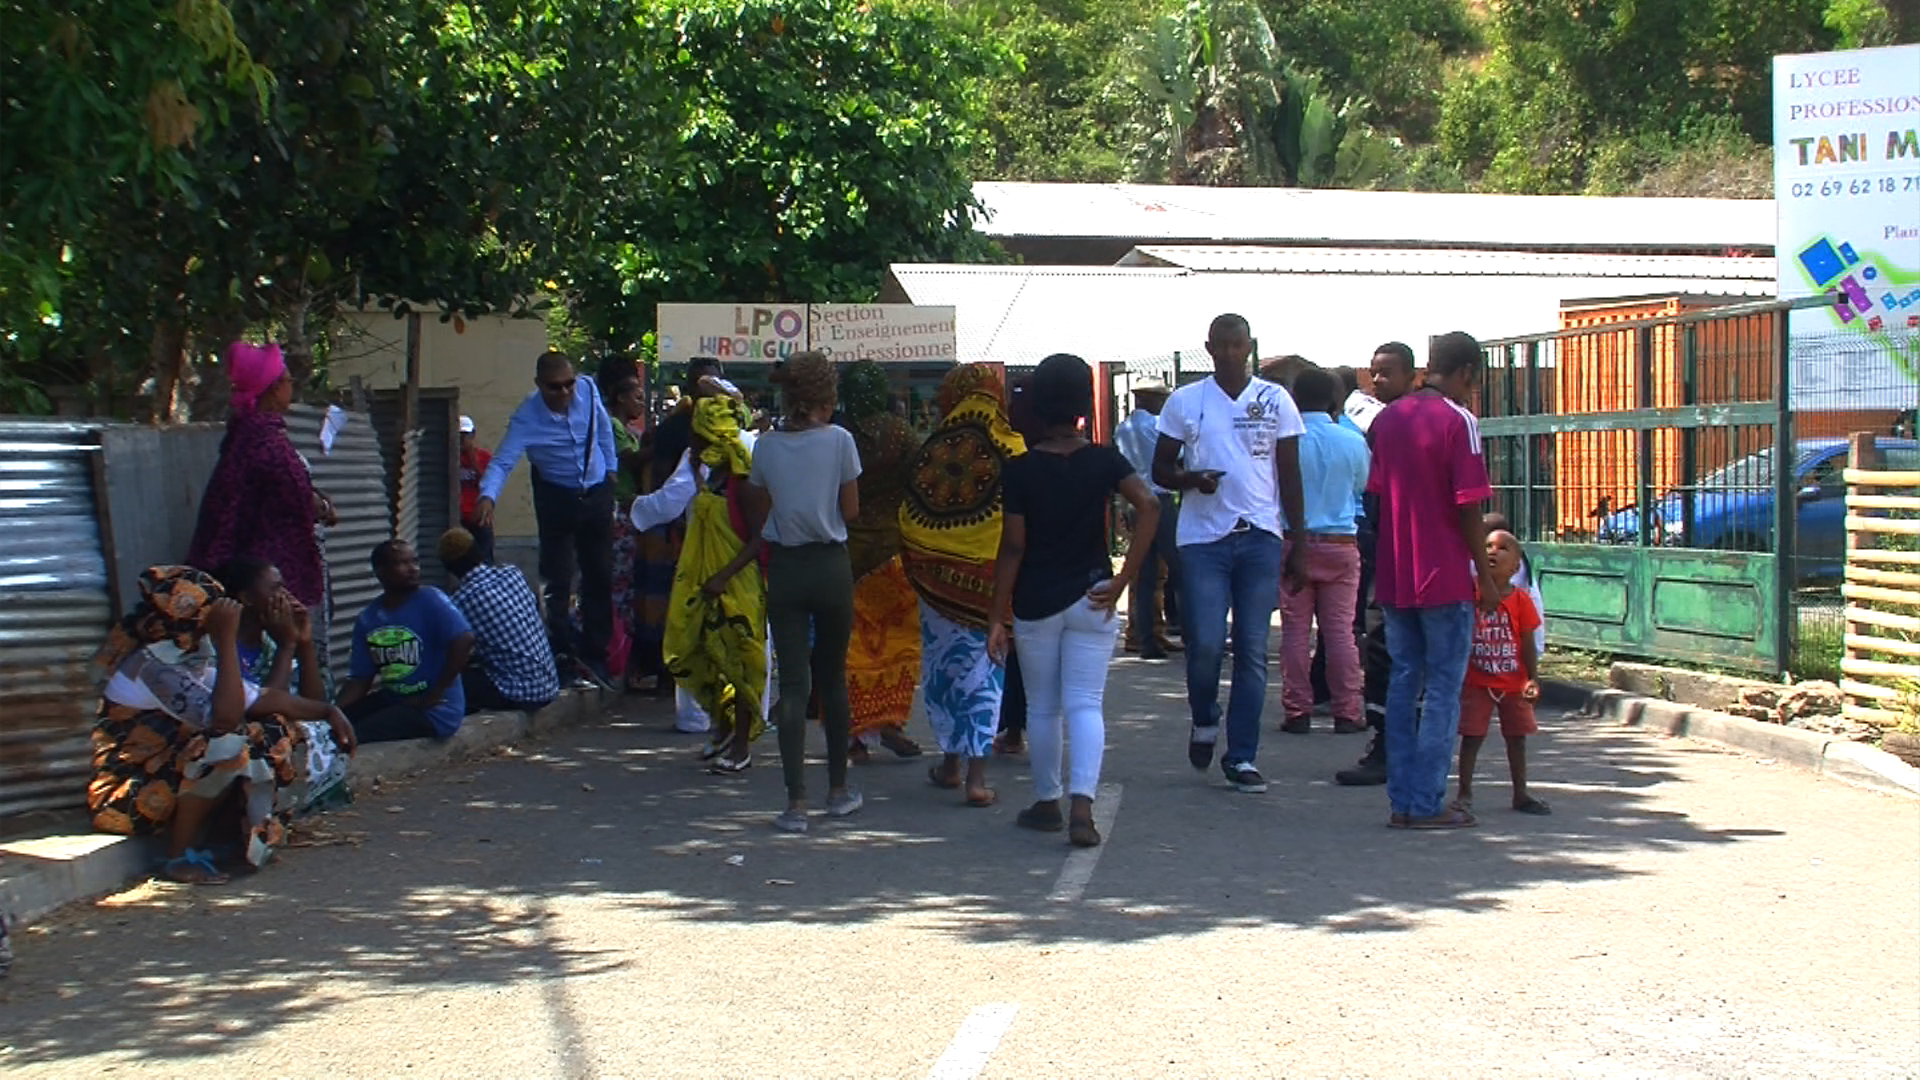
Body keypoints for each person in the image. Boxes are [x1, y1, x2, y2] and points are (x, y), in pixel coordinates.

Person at [89, 567, 355, 884]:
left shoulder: (188, 655)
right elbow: (225, 719)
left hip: (163, 776)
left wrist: (328, 711)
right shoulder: (153, 667)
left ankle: (233, 840)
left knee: (272, 730)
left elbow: (262, 698)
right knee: (226, 744)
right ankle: (177, 859)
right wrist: (226, 640)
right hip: (127, 799)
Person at [989, 354, 1160, 847]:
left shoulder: (1020, 471)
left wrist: (997, 615)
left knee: (1043, 708)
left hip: (1036, 599)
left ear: (1037, 406)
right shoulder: (1105, 461)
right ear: (1084, 405)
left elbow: (1013, 547)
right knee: (1086, 704)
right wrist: (1125, 578)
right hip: (1093, 594)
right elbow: (1149, 504)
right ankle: (1083, 809)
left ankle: (1048, 801)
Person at [1152, 314, 1308, 794]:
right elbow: (1160, 469)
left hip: (1260, 534)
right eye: (1220, 345)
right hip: (1204, 539)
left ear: (1249, 346)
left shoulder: (1274, 399)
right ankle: (1204, 717)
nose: (1228, 353)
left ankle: (1241, 756)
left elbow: (1289, 473)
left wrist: (1299, 541)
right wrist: (1190, 479)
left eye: (1236, 344)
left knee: (1252, 649)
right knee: (1204, 643)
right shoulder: (1186, 401)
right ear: (1209, 348)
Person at [1369, 331, 1501, 829]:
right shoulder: (1459, 421)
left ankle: (1402, 800)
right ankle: (1426, 801)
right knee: (1444, 688)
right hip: (1443, 572)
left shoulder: (1387, 419)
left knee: (1405, 679)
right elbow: (1469, 506)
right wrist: (1485, 575)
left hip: (1396, 571)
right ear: (1466, 372)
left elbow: (1377, 494)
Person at [734, 352, 864, 832]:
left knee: (792, 685)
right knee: (832, 679)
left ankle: (795, 803)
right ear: (826, 395)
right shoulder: (840, 442)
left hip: (786, 568)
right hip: (831, 566)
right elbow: (850, 510)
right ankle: (838, 790)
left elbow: (762, 504)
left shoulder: (766, 447)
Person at [902, 364, 1026, 809]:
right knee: (984, 674)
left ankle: (950, 764)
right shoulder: (1013, 449)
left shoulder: (930, 449)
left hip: (934, 583)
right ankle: (975, 778)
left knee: (942, 671)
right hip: (992, 585)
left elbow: (909, 513)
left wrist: (930, 556)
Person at [472, 350, 618, 689]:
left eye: (569, 384)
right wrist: (487, 496)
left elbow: (603, 430)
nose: (565, 392)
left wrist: (611, 470)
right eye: (555, 387)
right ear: (539, 385)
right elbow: (503, 461)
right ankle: (562, 653)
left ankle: (595, 652)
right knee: (557, 577)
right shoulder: (527, 417)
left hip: (596, 491)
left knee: (598, 573)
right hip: (556, 496)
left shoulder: (588, 390)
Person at [650, 394, 770, 775]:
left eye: (698, 437)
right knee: (704, 652)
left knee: (742, 663)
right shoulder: (710, 475)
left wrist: (723, 576)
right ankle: (722, 728)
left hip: (738, 585)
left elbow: (760, 538)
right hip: (704, 581)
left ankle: (741, 746)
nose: (692, 444)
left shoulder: (744, 481)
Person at [186, 341, 336, 630]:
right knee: (289, 648)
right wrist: (322, 506)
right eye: (288, 380)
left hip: (261, 575)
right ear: (275, 388)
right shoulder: (266, 444)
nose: (291, 386)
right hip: (273, 582)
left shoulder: (248, 435)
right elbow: (296, 499)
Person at [1337, 341, 1425, 788]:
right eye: (1374, 372)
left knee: (1399, 650)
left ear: (1414, 376)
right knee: (1382, 645)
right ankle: (1388, 743)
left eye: (1387, 372)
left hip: (1419, 554)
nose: (1378, 380)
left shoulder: (1419, 422)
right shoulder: (1378, 425)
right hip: (1387, 549)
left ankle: (1405, 750)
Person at [837, 360, 925, 763]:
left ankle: (853, 737)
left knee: (849, 643)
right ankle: (890, 722)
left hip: (846, 547)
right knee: (895, 642)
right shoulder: (901, 433)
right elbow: (921, 482)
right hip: (892, 549)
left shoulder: (837, 434)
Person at [1277, 368, 1372, 736]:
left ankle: (1297, 709)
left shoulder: (1285, 441)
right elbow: (1361, 485)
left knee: (1295, 631)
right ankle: (1347, 710)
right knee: (1340, 632)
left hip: (1293, 540)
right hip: (1340, 541)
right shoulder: (1351, 439)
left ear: (1294, 399)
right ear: (1334, 400)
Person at [634, 357, 725, 701]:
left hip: (708, 529)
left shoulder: (728, 431)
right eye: (703, 385)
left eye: (714, 385)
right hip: (677, 529)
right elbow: (663, 482)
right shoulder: (677, 429)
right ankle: (668, 673)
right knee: (671, 601)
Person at [336, 540, 476, 744]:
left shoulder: (431, 600)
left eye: (415, 561)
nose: (413, 569)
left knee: (355, 734)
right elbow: (360, 679)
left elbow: (464, 639)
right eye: (401, 563)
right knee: (340, 723)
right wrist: (330, 712)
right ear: (380, 571)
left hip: (434, 712)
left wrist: (435, 693)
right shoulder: (369, 618)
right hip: (397, 699)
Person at [1453, 529, 1550, 816]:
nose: (1493, 551)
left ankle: (1521, 793)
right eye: (1487, 546)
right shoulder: (1469, 594)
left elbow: (1527, 641)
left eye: (1503, 547)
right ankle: (1464, 793)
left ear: (1516, 566)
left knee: (1517, 737)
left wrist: (1532, 678)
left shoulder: (1521, 600)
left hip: (1513, 682)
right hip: (1476, 680)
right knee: (1472, 737)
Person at [438, 527, 560, 713]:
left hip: (519, 693)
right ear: (478, 552)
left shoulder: (462, 601)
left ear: (448, 568)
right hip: (548, 686)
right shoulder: (513, 574)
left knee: (443, 679)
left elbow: (446, 649)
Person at [1115, 380, 1182, 660]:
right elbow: (1178, 456)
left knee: (1145, 573)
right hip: (1159, 499)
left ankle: (1146, 639)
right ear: (1151, 399)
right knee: (1181, 568)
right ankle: (1194, 632)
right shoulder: (1156, 426)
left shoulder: (1122, 428)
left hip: (1134, 501)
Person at [600, 356, 651, 689]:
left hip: (629, 514)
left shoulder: (627, 429)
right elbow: (629, 461)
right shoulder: (613, 427)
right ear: (620, 397)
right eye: (637, 397)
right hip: (618, 514)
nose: (641, 403)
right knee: (619, 588)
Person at [459, 416, 494, 562]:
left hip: (479, 517)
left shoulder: (484, 457)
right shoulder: (449, 458)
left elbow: (490, 486)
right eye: (459, 436)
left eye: (465, 435)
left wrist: (474, 462)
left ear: (473, 435)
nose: (462, 440)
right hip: (457, 517)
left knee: (483, 558)